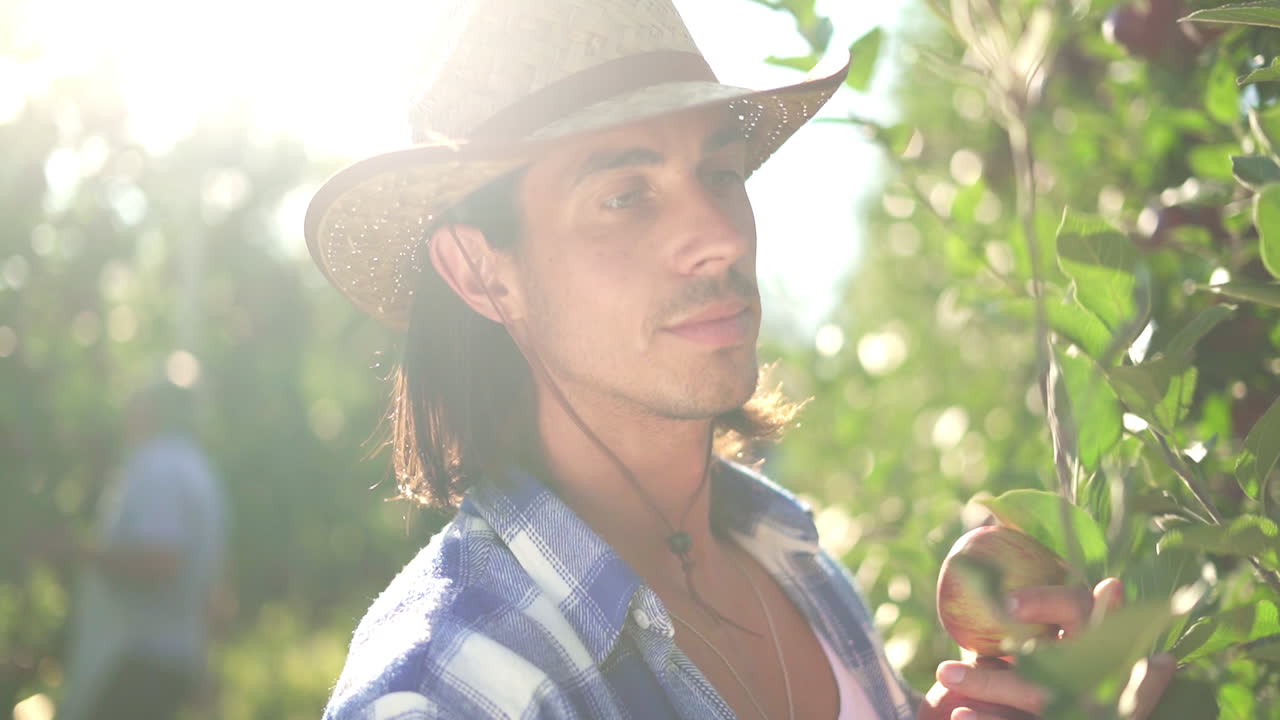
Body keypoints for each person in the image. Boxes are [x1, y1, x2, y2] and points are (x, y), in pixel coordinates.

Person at [305, 1, 1174, 717]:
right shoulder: (457, 688)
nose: (720, 239)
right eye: (624, 195)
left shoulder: (790, 561)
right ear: (481, 272)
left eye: (721, 174)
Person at [48, 381, 228, 720]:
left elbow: (161, 559)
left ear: (150, 412)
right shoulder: (199, 468)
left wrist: (78, 551)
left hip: (135, 658)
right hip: (171, 654)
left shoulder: (157, 467)